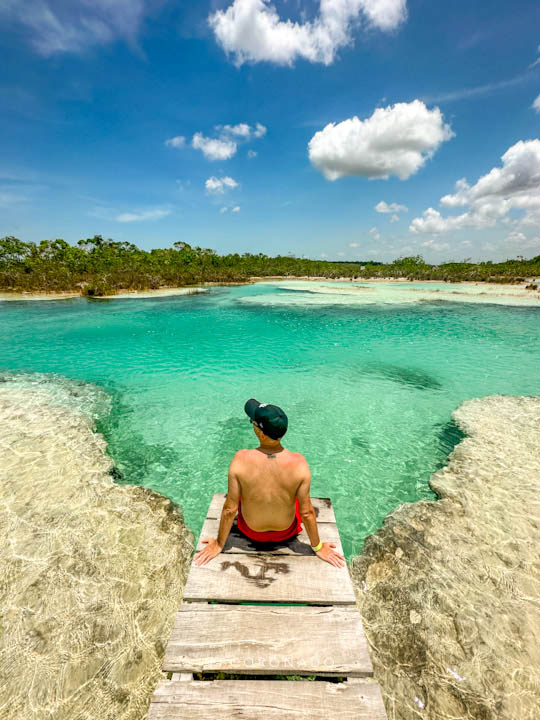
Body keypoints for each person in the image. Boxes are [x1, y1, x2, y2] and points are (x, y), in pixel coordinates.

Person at [194, 398, 345, 568]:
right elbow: (307, 513)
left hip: (252, 532)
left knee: (242, 492)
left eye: (253, 422)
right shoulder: (299, 463)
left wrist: (220, 544)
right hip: (286, 532)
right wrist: (317, 547)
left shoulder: (240, 459)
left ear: (261, 433)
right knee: (292, 494)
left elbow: (230, 509)